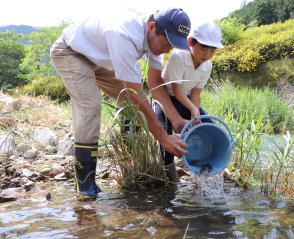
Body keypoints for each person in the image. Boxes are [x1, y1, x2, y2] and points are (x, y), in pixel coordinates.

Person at [50, 8, 191, 197]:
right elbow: (135, 94)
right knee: (91, 106)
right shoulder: (124, 34)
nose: (167, 49)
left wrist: (176, 120)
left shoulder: (156, 43)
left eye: (172, 46)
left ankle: (131, 160)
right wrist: (164, 138)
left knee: (131, 105)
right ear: (151, 27)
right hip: (71, 52)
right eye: (167, 43)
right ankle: (85, 186)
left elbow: (155, 84)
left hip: (100, 59)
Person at [152, 21, 224, 182]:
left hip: (186, 100)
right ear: (191, 42)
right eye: (203, 48)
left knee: (208, 127)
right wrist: (192, 107)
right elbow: (177, 91)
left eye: (212, 50)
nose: (206, 54)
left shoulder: (207, 66)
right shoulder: (179, 56)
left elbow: (196, 93)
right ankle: (170, 176)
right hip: (166, 98)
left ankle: (206, 171)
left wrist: (195, 112)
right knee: (166, 135)